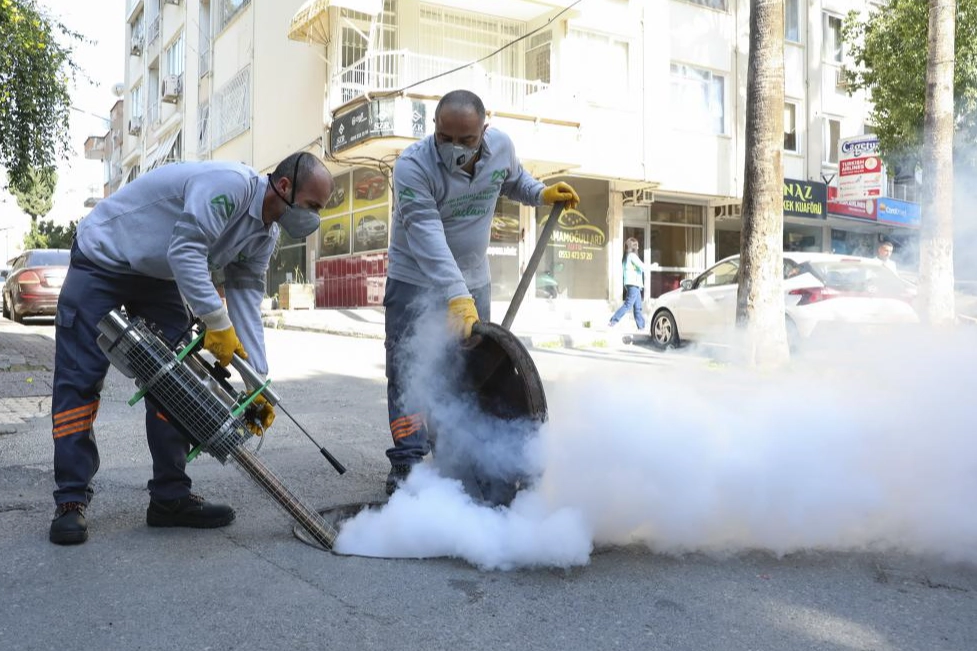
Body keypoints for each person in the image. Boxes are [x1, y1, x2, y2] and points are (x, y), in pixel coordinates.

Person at [48, 152, 334, 545]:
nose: (313, 218)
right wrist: (217, 322)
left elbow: (247, 300)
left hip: (157, 274)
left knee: (181, 382)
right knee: (80, 380)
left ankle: (170, 497)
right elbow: (185, 251)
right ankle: (70, 501)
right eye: (313, 206)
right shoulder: (229, 186)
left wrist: (258, 383)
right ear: (284, 187)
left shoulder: (264, 235)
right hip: (105, 256)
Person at [383, 89, 579, 495]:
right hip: (415, 279)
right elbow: (426, 235)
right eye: (445, 138)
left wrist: (540, 193)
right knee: (408, 370)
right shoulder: (412, 167)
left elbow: (513, 180)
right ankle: (407, 461)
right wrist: (456, 296)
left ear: (484, 132)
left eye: (466, 140)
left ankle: (458, 454)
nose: (455, 148)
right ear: (434, 130)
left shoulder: (502, 147)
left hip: (473, 279)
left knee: (470, 369)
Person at [608, 237, 651, 330]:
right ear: (633, 247)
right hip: (633, 284)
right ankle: (613, 320)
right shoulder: (632, 256)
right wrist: (652, 266)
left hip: (633, 285)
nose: (638, 247)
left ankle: (641, 327)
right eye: (637, 245)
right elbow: (642, 266)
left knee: (638, 307)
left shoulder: (626, 257)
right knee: (628, 305)